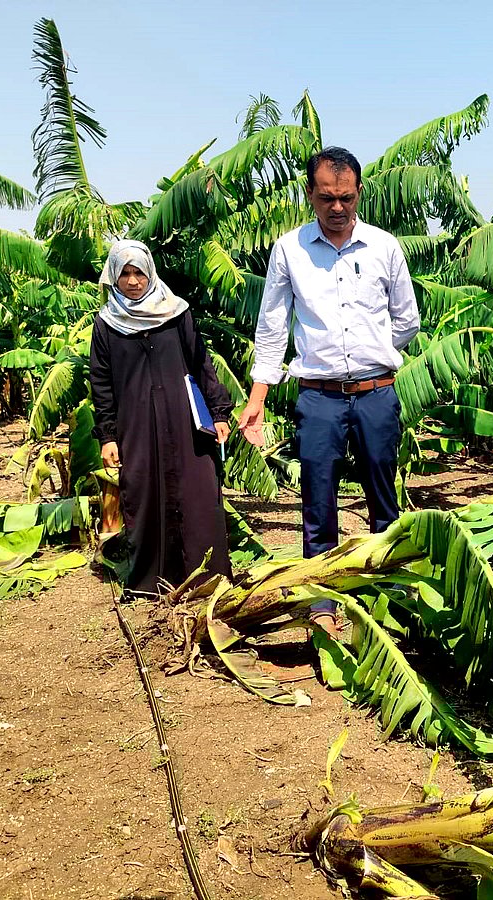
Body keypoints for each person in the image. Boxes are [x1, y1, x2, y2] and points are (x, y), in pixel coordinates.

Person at [238, 147, 419, 636]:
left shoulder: (384, 247)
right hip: (318, 396)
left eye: (345, 198)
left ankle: (388, 583)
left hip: (376, 392)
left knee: (384, 489)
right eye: (326, 199)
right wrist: (256, 397)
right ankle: (321, 596)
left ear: (359, 193)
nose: (337, 208)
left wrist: (375, 353)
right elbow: (272, 326)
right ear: (310, 196)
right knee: (318, 494)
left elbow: (407, 319)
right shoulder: (289, 250)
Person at [89, 239, 233, 594]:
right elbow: (101, 382)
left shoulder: (176, 312)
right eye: (125, 274)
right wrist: (108, 436)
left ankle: (208, 576)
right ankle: (151, 582)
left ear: (150, 273)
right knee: (143, 492)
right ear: (114, 277)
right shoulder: (107, 324)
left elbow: (201, 363)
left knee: (198, 490)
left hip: (184, 420)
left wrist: (218, 412)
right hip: (135, 425)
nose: (134, 281)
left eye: (139, 273)